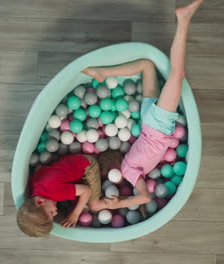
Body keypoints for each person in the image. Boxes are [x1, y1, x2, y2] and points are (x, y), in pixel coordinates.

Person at [83, 0, 203, 209]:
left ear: (116, 170)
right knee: (147, 66)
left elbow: (145, 198)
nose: (113, 183)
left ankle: (183, 21)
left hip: (158, 125)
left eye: (108, 178)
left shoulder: (129, 170)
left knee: (177, 74)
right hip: (147, 120)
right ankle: (105, 72)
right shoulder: (129, 160)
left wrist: (114, 205)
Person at [16, 154, 107, 237]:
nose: (56, 213)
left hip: (87, 165)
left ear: (40, 201)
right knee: (76, 201)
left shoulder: (57, 193)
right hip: (72, 161)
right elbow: (39, 168)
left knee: (94, 206)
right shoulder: (34, 187)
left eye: (51, 212)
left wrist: (75, 214)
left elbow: (86, 190)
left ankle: (121, 203)